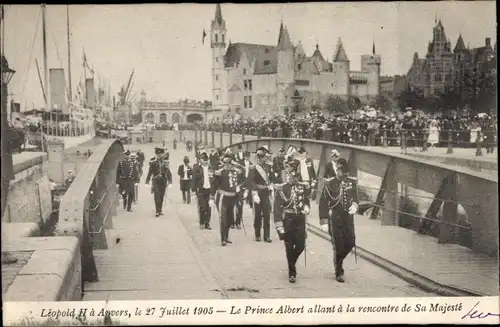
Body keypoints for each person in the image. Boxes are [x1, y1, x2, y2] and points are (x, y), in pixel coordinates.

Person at [318, 158, 359, 283]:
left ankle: (338, 260)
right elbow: (323, 202)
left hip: (348, 217)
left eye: (347, 172)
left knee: (351, 242)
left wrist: (355, 206)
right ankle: (339, 270)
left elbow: (356, 197)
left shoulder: (351, 183)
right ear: (338, 170)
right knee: (339, 245)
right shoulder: (330, 184)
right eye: (343, 171)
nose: (345, 174)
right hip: (335, 218)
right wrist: (324, 221)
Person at [274, 158, 311, 283]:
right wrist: (279, 225)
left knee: (300, 245)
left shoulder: (302, 186)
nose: (294, 178)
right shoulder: (282, 188)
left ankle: (292, 262)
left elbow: (306, 200)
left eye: (297, 176)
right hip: (288, 219)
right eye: (292, 175)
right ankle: (292, 271)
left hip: (300, 218)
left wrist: (306, 207)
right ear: (288, 174)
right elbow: (277, 208)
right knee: (289, 246)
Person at [211, 153, 243, 246]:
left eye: (230, 163)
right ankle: (223, 239)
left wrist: (239, 188)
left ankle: (226, 236)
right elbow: (214, 184)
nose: (228, 165)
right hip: (222, 197)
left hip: (232, 198)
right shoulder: (221, 172)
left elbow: (242, 180)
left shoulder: (237, 172)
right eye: (226, 163)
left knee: (229, 219)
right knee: (223, 218)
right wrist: (211, 196)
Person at [248, 146, 274, 243]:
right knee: (258, 215)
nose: (265, 158)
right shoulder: (253, 167)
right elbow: (251, 181)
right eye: (264, 157)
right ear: (259, 157)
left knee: (267, 214)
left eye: (266, 157)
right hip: (257, 192)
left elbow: (271, 178)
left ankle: (267, 236)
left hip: (266, 192)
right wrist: (254, 193)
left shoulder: (268, 166)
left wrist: (271, 184)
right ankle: (257, 234)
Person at [145, 147, 172, 217]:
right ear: (156, 155)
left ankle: (160, 210)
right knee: (156, 196)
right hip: (156, 181)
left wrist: (170, 182)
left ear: (163, 154)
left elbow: (169, 173)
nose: (159, 156)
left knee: (161, 196)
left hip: (163, 181)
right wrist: (147, 182)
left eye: (161, 154)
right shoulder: (153, 163)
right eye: (158, 154)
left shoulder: (166, 163)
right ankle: (157, 211)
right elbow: (150, 172)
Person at [191, 152, 213, 230]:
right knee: (202, 207)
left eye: (206, 160)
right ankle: (202, 223)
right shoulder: (197, 167)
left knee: (209, 208)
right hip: (200, 190)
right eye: (204, 160)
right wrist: (193, 191)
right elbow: (193, 179)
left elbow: (213, 179)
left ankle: (207, 223)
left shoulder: (210, 167)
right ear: (200, 160)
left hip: (209, 189)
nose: (205, 161)